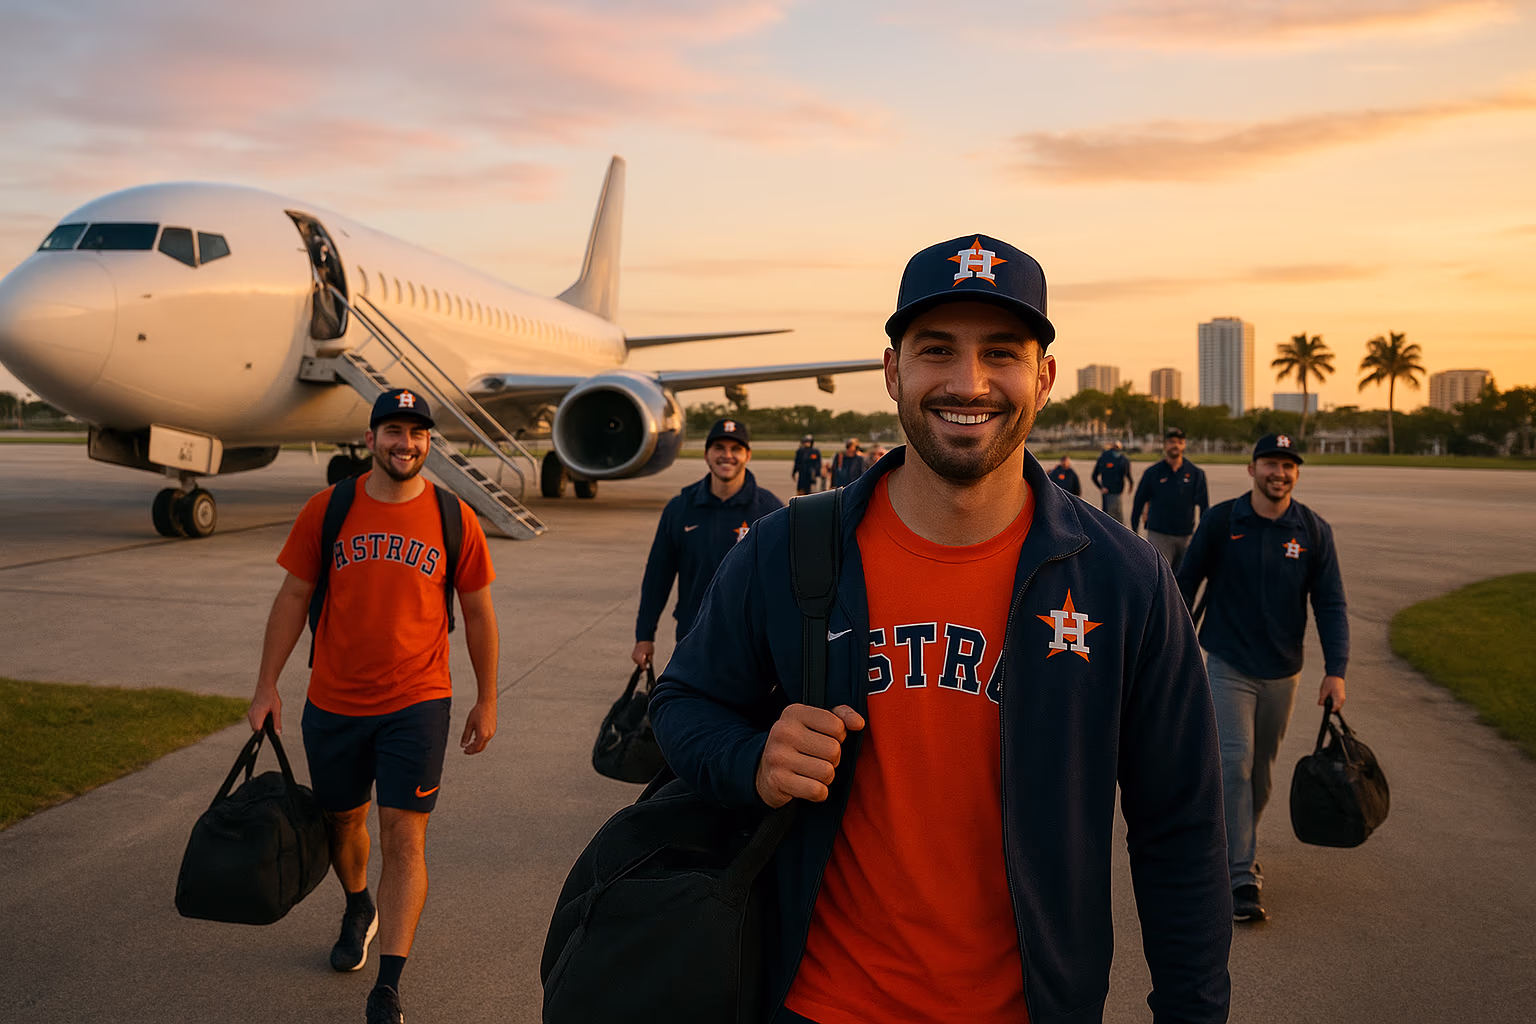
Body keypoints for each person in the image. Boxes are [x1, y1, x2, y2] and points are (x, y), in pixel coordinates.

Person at [651, 234, 1230, 1024]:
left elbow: (1182, 826)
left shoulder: (1124, 580)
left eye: (1002, 352)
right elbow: (682, 704)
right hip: (819, 1004)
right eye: (936, 350)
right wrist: (752, 757)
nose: (969, 382)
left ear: (1045, 377)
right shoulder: (794, 547)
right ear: (892, 370)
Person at [246, 388, 499, 1024]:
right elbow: (292, 598)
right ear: (370, 439)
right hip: (333, 700)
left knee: (404, 836)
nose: (404, 443)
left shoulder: (453, 517)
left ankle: (387, 986)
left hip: (418, 700)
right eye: (392, 430)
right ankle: (358, 902)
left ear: (429, 442)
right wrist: (266, 685)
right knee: (342, 823)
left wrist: (486, 697)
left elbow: (477, 612)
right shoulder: (327, 510)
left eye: (416, 433)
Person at [1176, 433, 1349, 924]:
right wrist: (1175, 645)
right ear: (1251, 469)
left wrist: (1336, 670)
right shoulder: (1223, 521)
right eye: (1271, 463)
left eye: (1289, 465)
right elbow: (1186, 584)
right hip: (1228, 663)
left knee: (1262, 775)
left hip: (1283, 672)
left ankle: (1234, 842)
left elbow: (1331, 605)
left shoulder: (1312, 531)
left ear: (1296, 474)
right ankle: (1239, 875)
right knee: (1237, 763)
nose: (1280, 472)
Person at [632, 418, 783, 668]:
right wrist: (644, 636)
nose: (727, 456)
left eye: (735, 449)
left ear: (747, 455)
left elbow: (785, 582)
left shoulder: (770, 511)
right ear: (706, 455)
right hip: (693, 636)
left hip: (750, 642)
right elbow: (658, 576)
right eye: (719, 448)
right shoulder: (680, 508)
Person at [1131, 427, 1209, 572]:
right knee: (1160, 577)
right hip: (1159, 535)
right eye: (1172, 442)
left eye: (1180, 442)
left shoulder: (1195, 473)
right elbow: (1139, 501)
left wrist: (1203, 536)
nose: (1176, 445)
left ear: (1184, 445)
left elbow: (1204, 507)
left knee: (1182, 581)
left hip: (1185, 536)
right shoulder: (1153, 472)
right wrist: (1134, 530)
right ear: (1165, 445)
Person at [1090, 441, 1131, 524]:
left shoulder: (1121, 459)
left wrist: (1101, 487)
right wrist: (1101, 487)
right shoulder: (1117, 459)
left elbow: (1127, 474)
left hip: (1114, 492)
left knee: (1111, 517)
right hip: (1110, 491)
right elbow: (1094, 476)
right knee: (1113, 519)